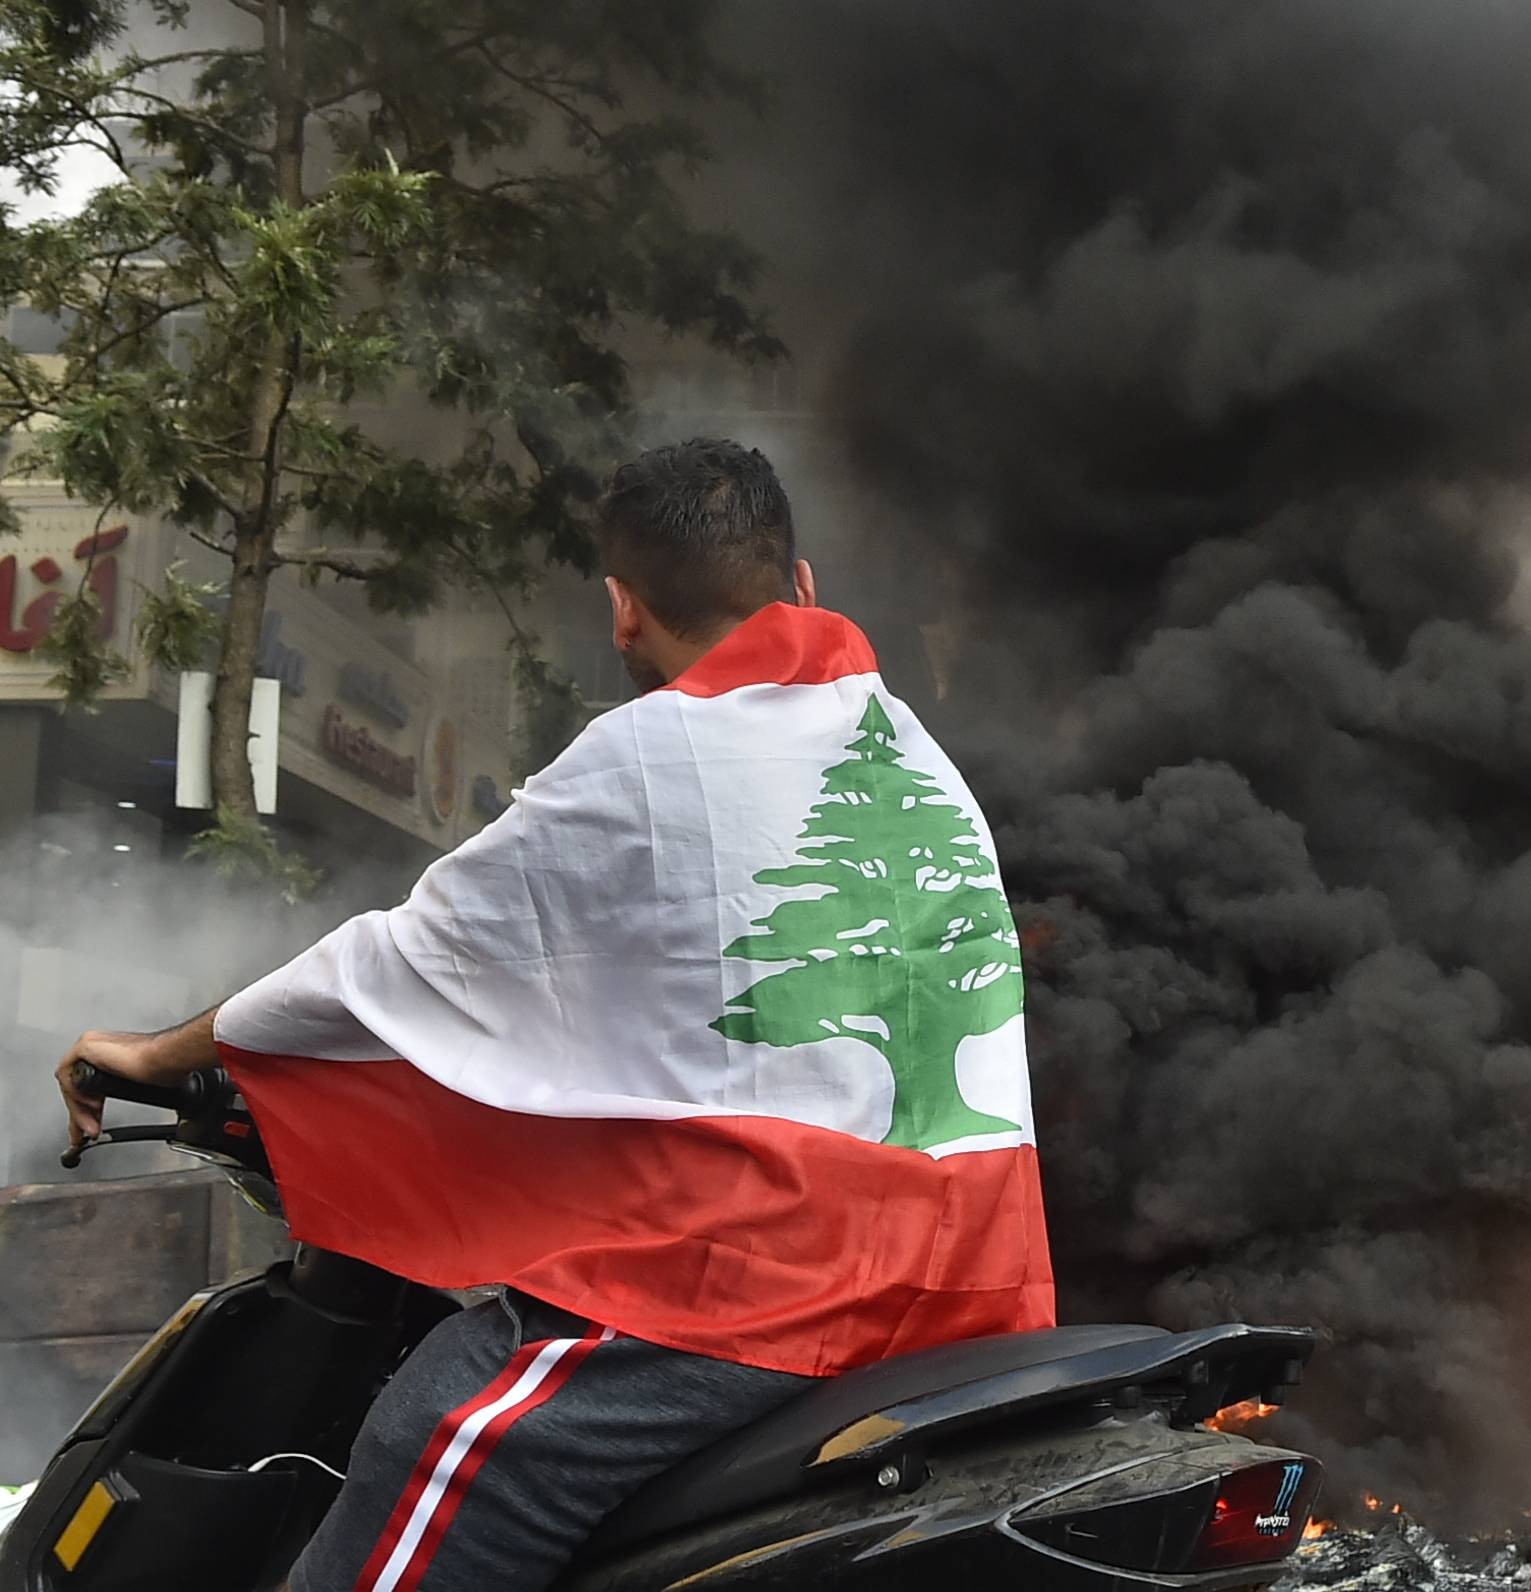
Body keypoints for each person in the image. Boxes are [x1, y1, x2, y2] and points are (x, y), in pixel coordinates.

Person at [53, 439, 1055, 1591]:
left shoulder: (647, 753)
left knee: (445, 1426)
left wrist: (156, 1048)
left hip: (792, 1283)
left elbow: (396, 964)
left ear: (622, 610)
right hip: (982, 1266)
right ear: (806, 584)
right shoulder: (919, 756)